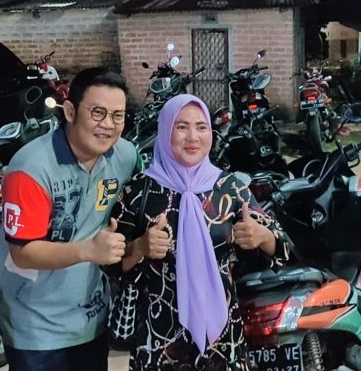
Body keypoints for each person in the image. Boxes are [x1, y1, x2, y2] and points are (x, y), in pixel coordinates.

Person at [107, 94, 291, 370]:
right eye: (181, 127)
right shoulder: (138, 191)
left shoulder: (230, 188)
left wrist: (262, 237)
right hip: (159, 337)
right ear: (165, 131)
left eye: (201, 127)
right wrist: (140, 248)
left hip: (223, 338)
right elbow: (111, 264)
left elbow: (283, 248)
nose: (193, 137)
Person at [0, 68, 138, 370]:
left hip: (90, 317)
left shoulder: (124, 156)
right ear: (70, 111)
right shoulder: (31, 169)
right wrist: (88, 250)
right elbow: (23, 253)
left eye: (118, 116)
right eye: (97, 112)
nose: (108, 125)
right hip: (36, 327)